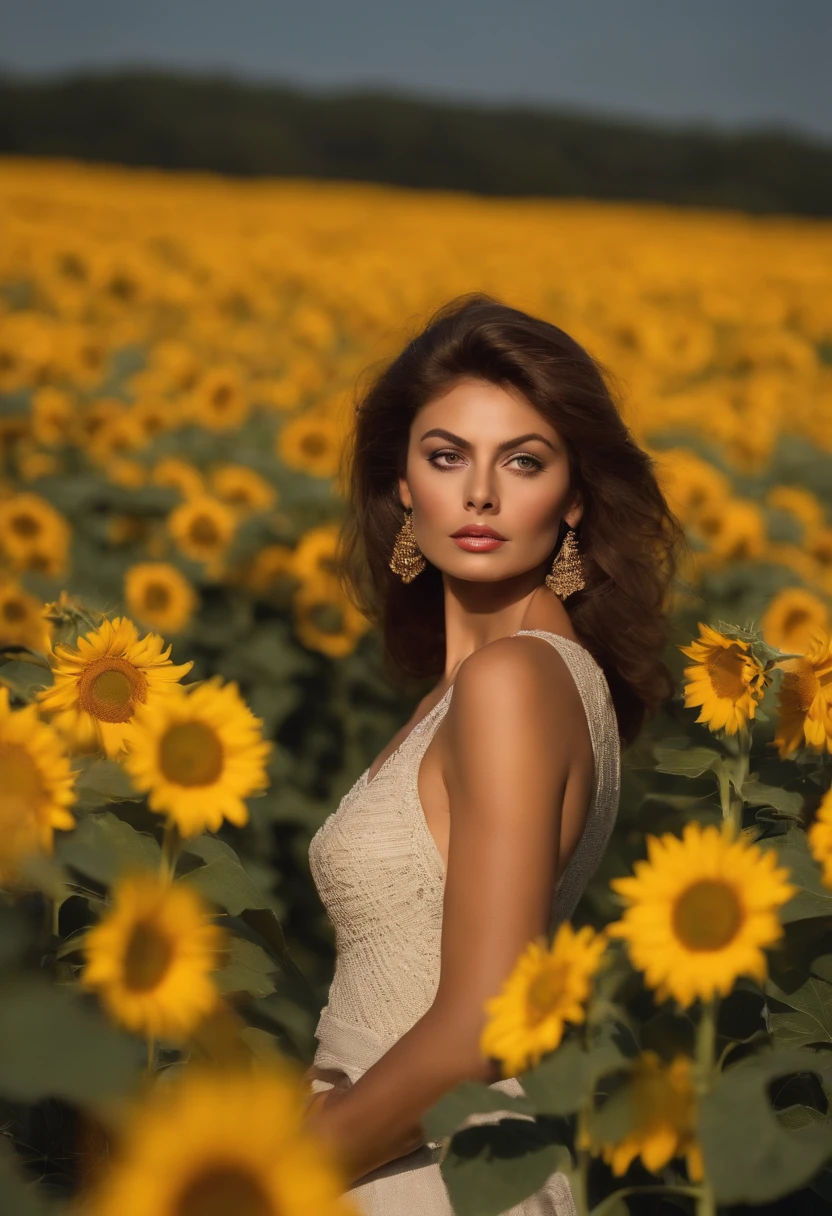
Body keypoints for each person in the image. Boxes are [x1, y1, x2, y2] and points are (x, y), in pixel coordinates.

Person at [301, 293, 686, 1214]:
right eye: (446, 457)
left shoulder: (514, 681)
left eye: (523, 461)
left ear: (576, 497)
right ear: (403, 482)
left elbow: (480, 1027)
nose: (479, 493)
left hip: (431, 1176)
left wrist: (262, 1176)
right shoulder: (504, 682)